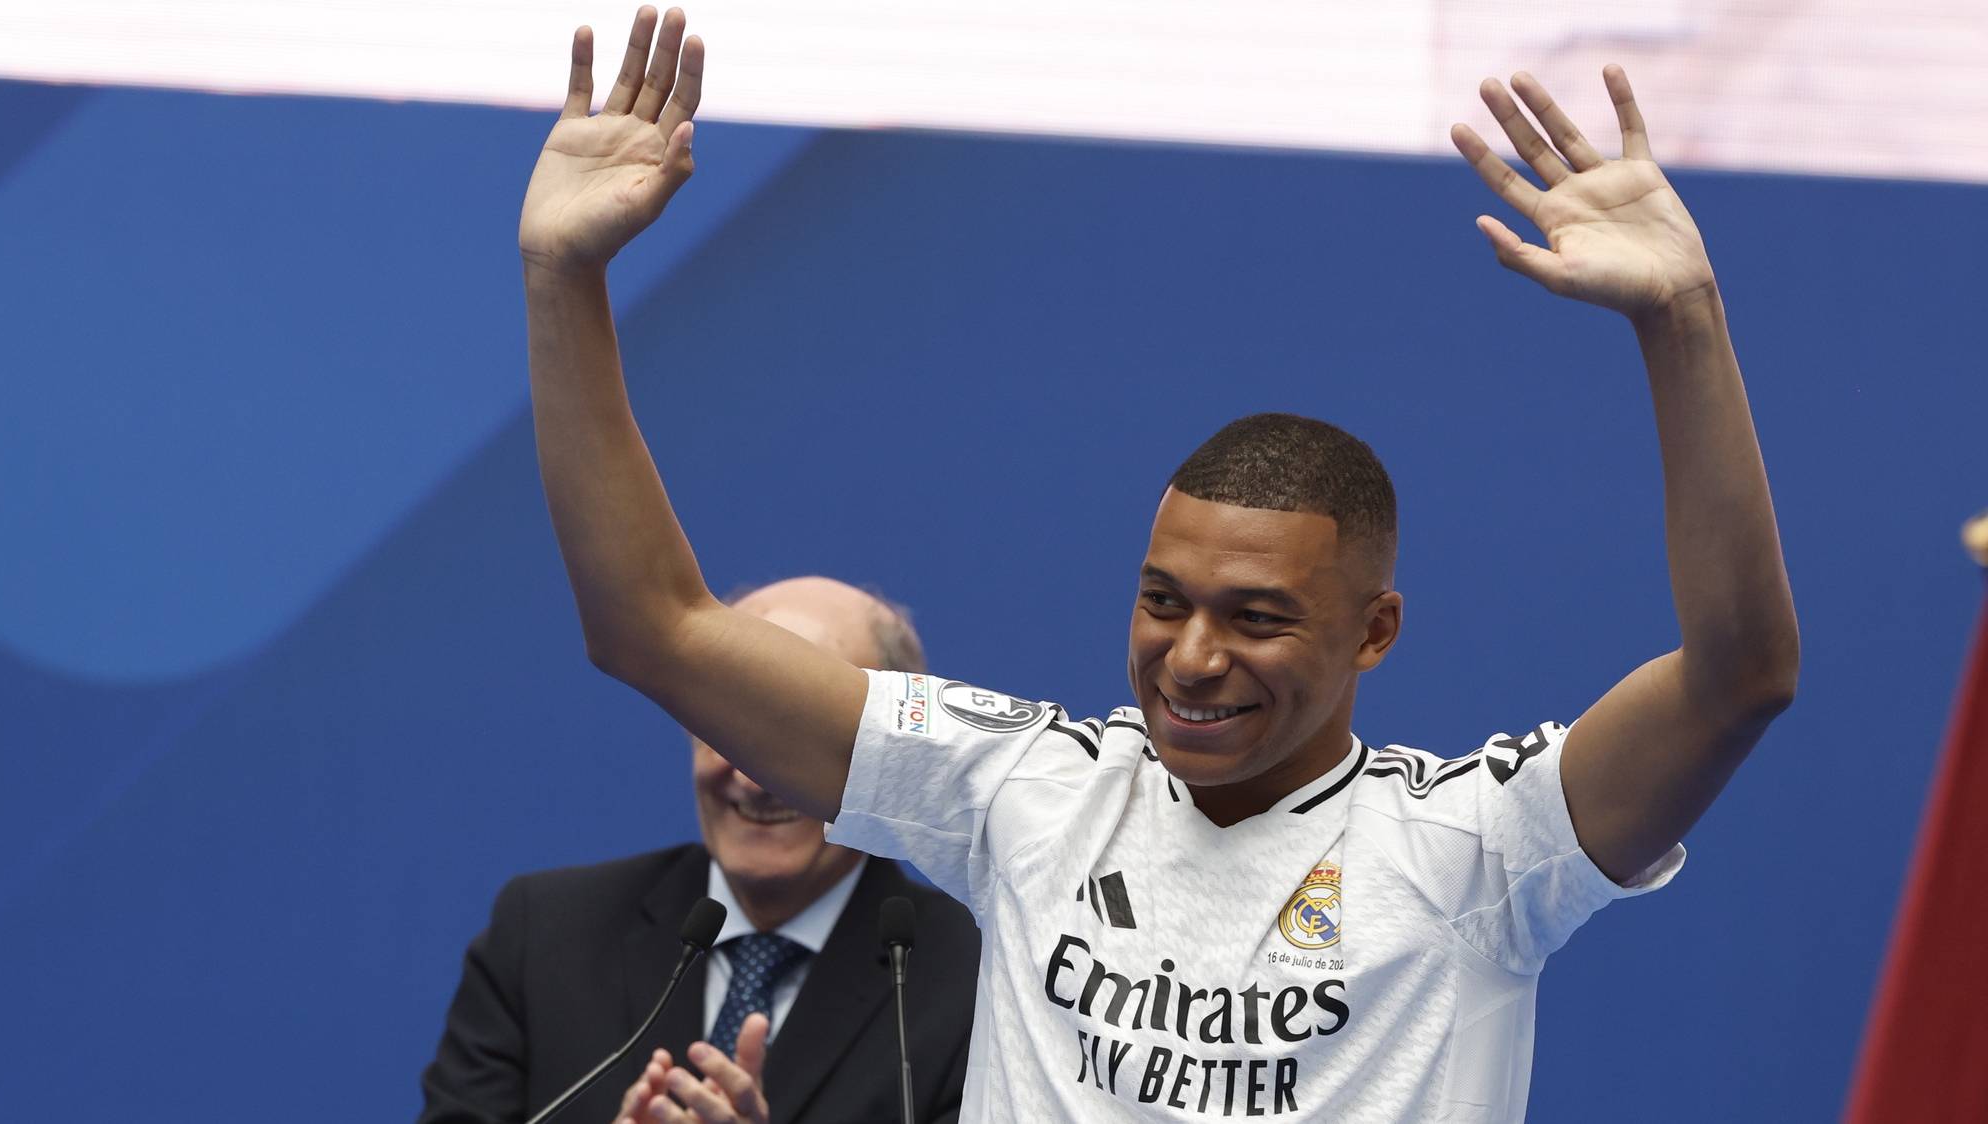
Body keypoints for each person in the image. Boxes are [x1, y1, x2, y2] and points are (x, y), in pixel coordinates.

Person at [513, 6, 1798, 1119]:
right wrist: (561, 275)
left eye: (1256, 616)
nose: (1189, 657)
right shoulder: (1014, 788)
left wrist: (1682, 323)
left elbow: (1738, 676)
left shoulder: (1475, 846)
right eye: (1161, 600)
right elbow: (654, 626)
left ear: (1374, 630)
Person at [418, 577, 980, 1124]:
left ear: (890, 758)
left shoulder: (977, 982)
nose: (753, 776)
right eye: (728, 722)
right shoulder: (545, 935)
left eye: (798, 733)